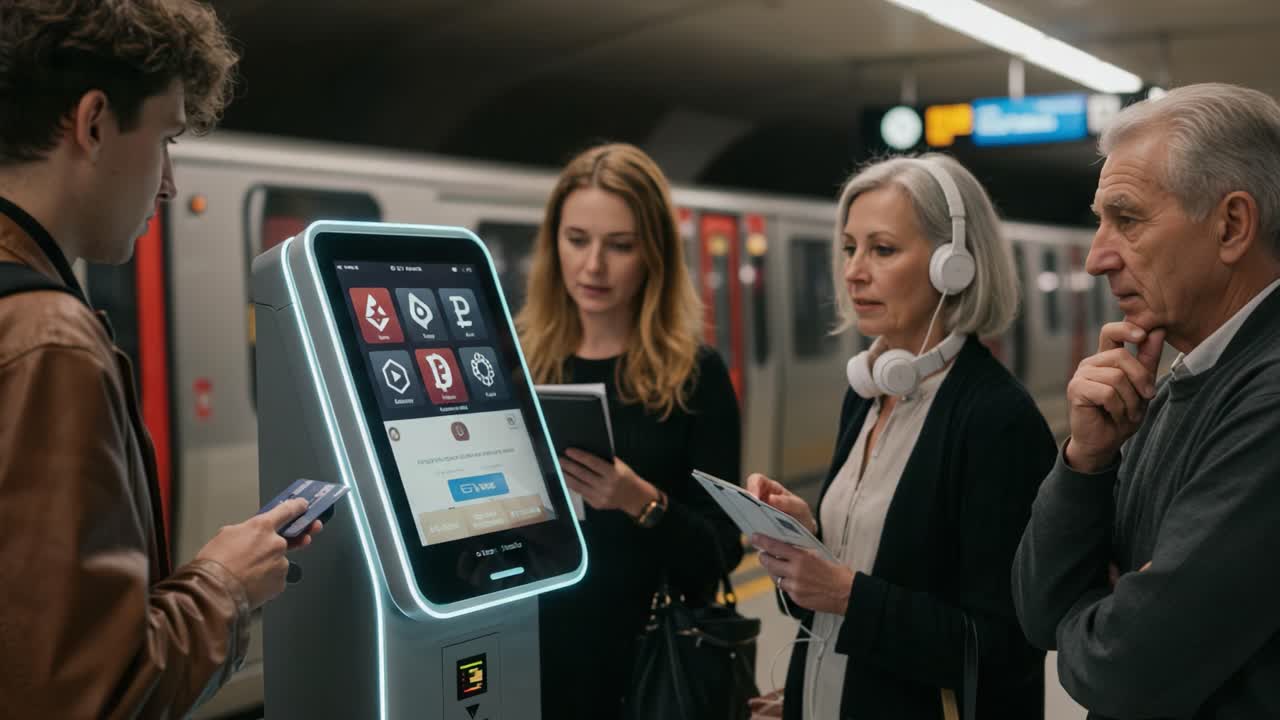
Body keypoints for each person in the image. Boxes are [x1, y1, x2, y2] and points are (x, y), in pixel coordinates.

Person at [0, 2, 321, 717]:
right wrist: (223, 582)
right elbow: (90, 695)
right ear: (92, 123)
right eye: (166, 140)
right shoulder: (49, 340)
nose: (170, 183)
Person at [746, 154, 1056, 719]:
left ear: (952, 267)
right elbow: (866, 583)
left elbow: (1006, 645)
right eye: (849, 248)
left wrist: (844, 591)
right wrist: (808, 542)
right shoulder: (867, 392)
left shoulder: (996, 420)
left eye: (882, 250)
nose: (853, 271)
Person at [1012, 83, 1280, 719]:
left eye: (1127, 219)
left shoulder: (1267, 398)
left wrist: (1109, 612)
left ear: (1232, 225)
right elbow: (1038, 609)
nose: (1097, 257)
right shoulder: (1180, 377)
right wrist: (1087, 461)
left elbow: (1123, 669)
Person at [516, 142, 743, 718]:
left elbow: (721, 551)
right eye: (577, 240)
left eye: (619, 246)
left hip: (646, 663)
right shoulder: (515, 360)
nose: (593, 266)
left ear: (653, 256)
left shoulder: (694, 376)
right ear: (553, 244)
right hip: (527, 651)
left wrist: (640, 502)